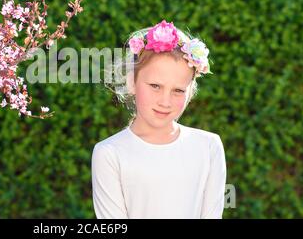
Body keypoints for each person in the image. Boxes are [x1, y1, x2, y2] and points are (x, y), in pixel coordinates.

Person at [91, 20, 226, 218]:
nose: (165, 101)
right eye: (155, 86)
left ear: (191, 93)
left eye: (178, 90)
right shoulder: (110, 154)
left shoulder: (208, 147)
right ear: (133, 82)